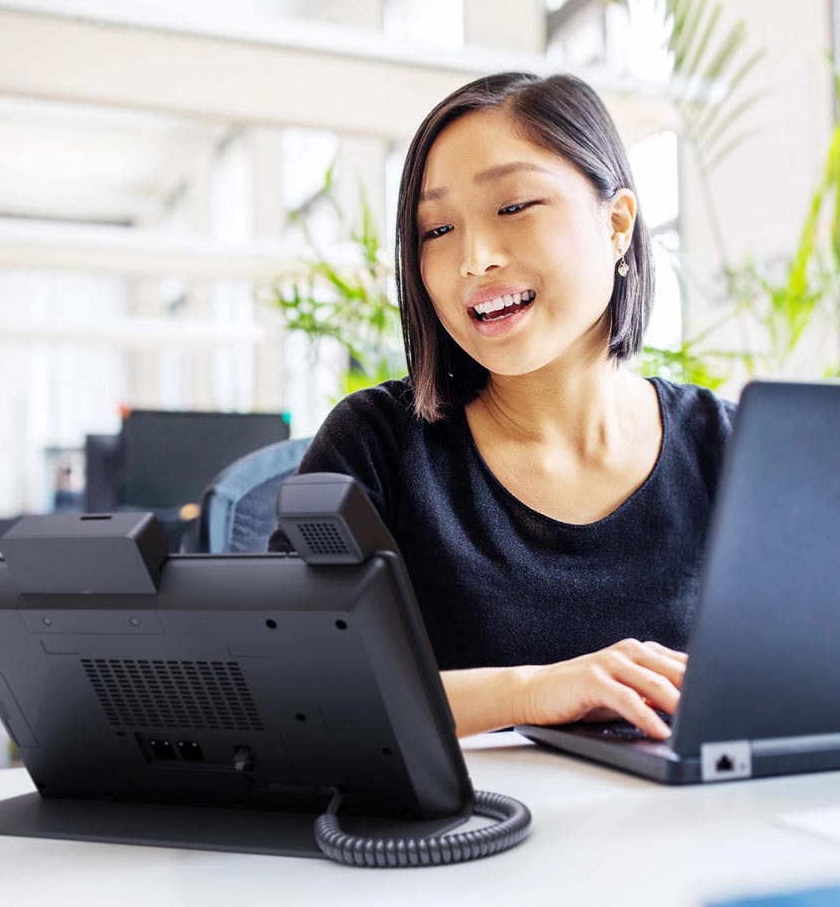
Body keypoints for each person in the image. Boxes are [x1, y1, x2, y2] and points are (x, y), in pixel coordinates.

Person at [276, 72, 735, 740]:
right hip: (475, 835)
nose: (474, 258)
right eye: (436, 229)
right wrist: (529, 692)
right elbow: (287, 683)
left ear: (616, 224)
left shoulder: (731, 447)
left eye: (514, 206)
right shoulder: (376, 445)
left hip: (708, 833)